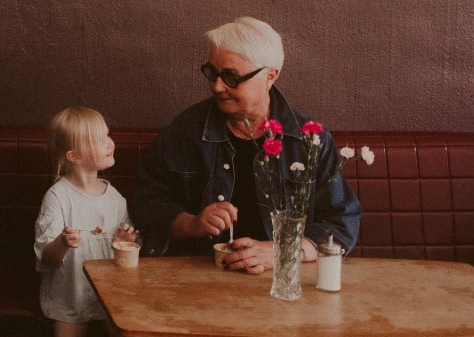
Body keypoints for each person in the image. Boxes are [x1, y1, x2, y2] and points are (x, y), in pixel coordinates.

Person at [130, 16, 361, 273]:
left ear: (270, 76)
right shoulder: (185, 131)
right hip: (200, 278)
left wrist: (283, 251)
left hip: (284, 282)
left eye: (231, 77)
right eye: (212, 73)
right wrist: (190, 223)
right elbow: (146, 201)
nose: (217, 86)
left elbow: (341, 222)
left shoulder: (309, 139)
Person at [34, 106, 149, 337]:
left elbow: (129, 254)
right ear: (74, 156)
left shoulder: (114, 197)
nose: (110, 143)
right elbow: (45, 257)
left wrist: (123, 241)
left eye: (108, 135)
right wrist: (63, 243)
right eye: (99, 139)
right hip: (69, 293)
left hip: (110, 295)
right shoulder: (58, 198)